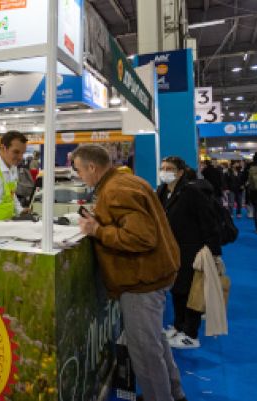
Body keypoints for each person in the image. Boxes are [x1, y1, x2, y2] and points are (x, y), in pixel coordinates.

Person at [74, 144, 186, 401]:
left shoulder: (116, 190)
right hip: (152, 275)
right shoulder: (124, 182)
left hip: (141, 280)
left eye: (80, 170)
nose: (79, 176)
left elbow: (140, 237)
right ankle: (174, 394)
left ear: (92, 167)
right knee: (154, 342)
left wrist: (97, 231)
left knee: (145, 352)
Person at [156, 156, 222, 349]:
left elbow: (208, 221)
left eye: (169, 168)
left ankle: (191, 334)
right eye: (163, 168)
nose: (165, 171)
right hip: (171, 250)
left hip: (193, 249)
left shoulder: (192, 192)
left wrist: (212, 249)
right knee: (177, 289)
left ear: (180, 172)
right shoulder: (162, 191)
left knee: (193, 290)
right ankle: (178, 326)